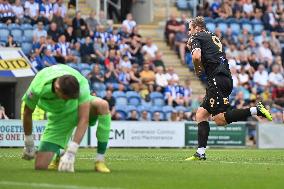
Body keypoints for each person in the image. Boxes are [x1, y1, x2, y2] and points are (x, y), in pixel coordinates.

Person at [185, 16, 272, 161]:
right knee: (201, 114)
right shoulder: (212, 36)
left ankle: (256, 110)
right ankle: (200, 152)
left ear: (197, 28)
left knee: (219, 120)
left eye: (190, 29)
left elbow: (196, 57)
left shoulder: (197, 36)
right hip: (224, 78)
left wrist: (197, 69)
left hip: (216, 79)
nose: (189, 32)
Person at [22, 64, 111, 173]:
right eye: (66, 98)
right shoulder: (37, 87)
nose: (67, 100)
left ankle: (100, 160)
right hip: (59, 117)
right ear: (57, 88)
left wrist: (72, 151)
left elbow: (84, 119)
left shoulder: (81, 83)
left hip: (78, 107)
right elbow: (27, 112)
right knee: (40, 166)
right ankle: (60, 153)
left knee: (103, 105)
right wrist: (29, 142)